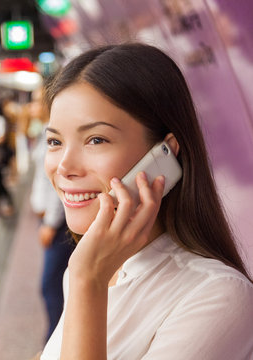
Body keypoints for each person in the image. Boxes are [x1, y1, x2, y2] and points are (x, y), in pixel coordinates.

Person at [40, 43, 253, 359]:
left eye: (96, 139)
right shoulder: (90, 268)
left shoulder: (217, 295)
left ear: (164, 153)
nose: (65, 167)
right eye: (55, 141)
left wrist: (87, 282)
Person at [29, 87, 74, 342]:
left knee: (50, 285)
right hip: (46, 217)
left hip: (55, 223)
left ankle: (54, 343)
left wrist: (50, 222)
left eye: (36, 102)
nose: (32, 107)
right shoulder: (44, 131)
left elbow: (59, 181)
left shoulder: (55, 135)